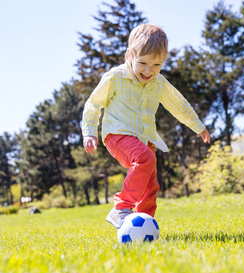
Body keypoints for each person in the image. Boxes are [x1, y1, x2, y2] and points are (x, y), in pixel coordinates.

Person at [81, 24, 210, 229]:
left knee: (150, 186)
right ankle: (121, 208)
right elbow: (93, 103)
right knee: (145, 158)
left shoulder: (159, 83)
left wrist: (198, 126)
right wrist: (89, 132)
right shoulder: (115, 77)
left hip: (144, 139)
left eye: (157, 65)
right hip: (118, 135)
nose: (149, 71)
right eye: (143, 63)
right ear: (129, 55)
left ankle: (142, 225)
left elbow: (178, 104)